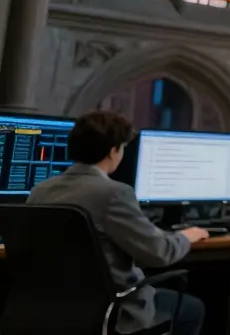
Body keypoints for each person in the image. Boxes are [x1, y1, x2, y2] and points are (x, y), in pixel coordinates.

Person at [27, 111, 207, 335]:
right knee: (192, 309)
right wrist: (187, 236)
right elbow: (159, 253)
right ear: (113, 151)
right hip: (112, 311)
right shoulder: (114, 194)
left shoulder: (40, 191)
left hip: (50, 308)